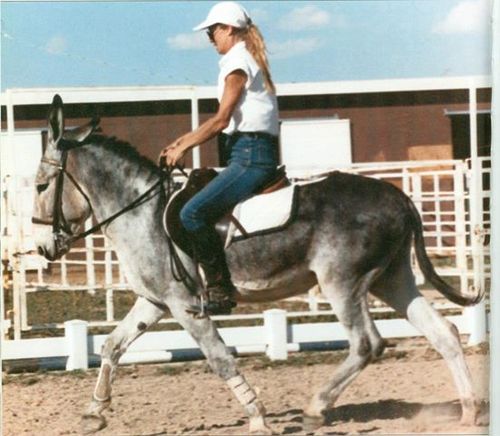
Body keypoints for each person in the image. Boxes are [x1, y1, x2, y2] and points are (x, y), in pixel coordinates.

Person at [159, 1, 279, 315]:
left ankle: (220, 289)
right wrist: (180, 142)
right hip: (249, 150)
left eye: (212, 31)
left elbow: (221, 120)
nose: (210, 38)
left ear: (227, 29)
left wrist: (183, 148)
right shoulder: (245, 58)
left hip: (250, 156)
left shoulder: (237, 62)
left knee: (192, 213)